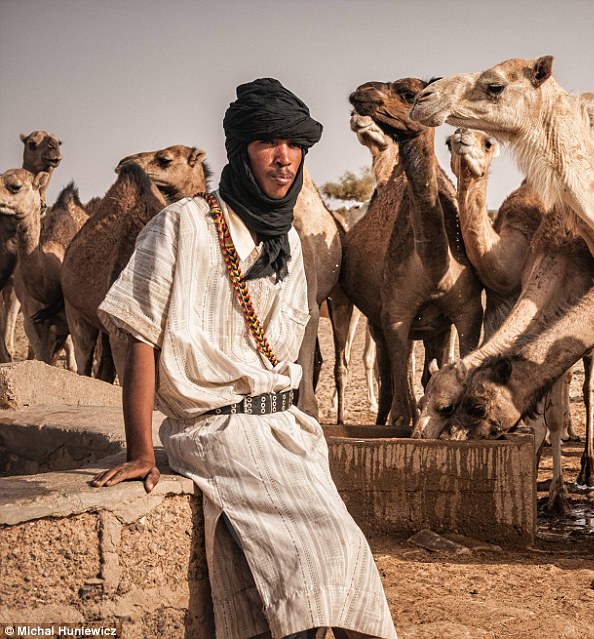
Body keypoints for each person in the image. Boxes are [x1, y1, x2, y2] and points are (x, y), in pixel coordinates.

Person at [91, 78, 396, 639]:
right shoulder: (181, 225)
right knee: (313, 566)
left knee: (352, 565)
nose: (284, 158)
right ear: (241, 152)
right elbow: (139, 336)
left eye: (294, 145)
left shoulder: (290, 242)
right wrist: (141, 450)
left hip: (288, 430)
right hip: (218, 431)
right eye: (268, 143)